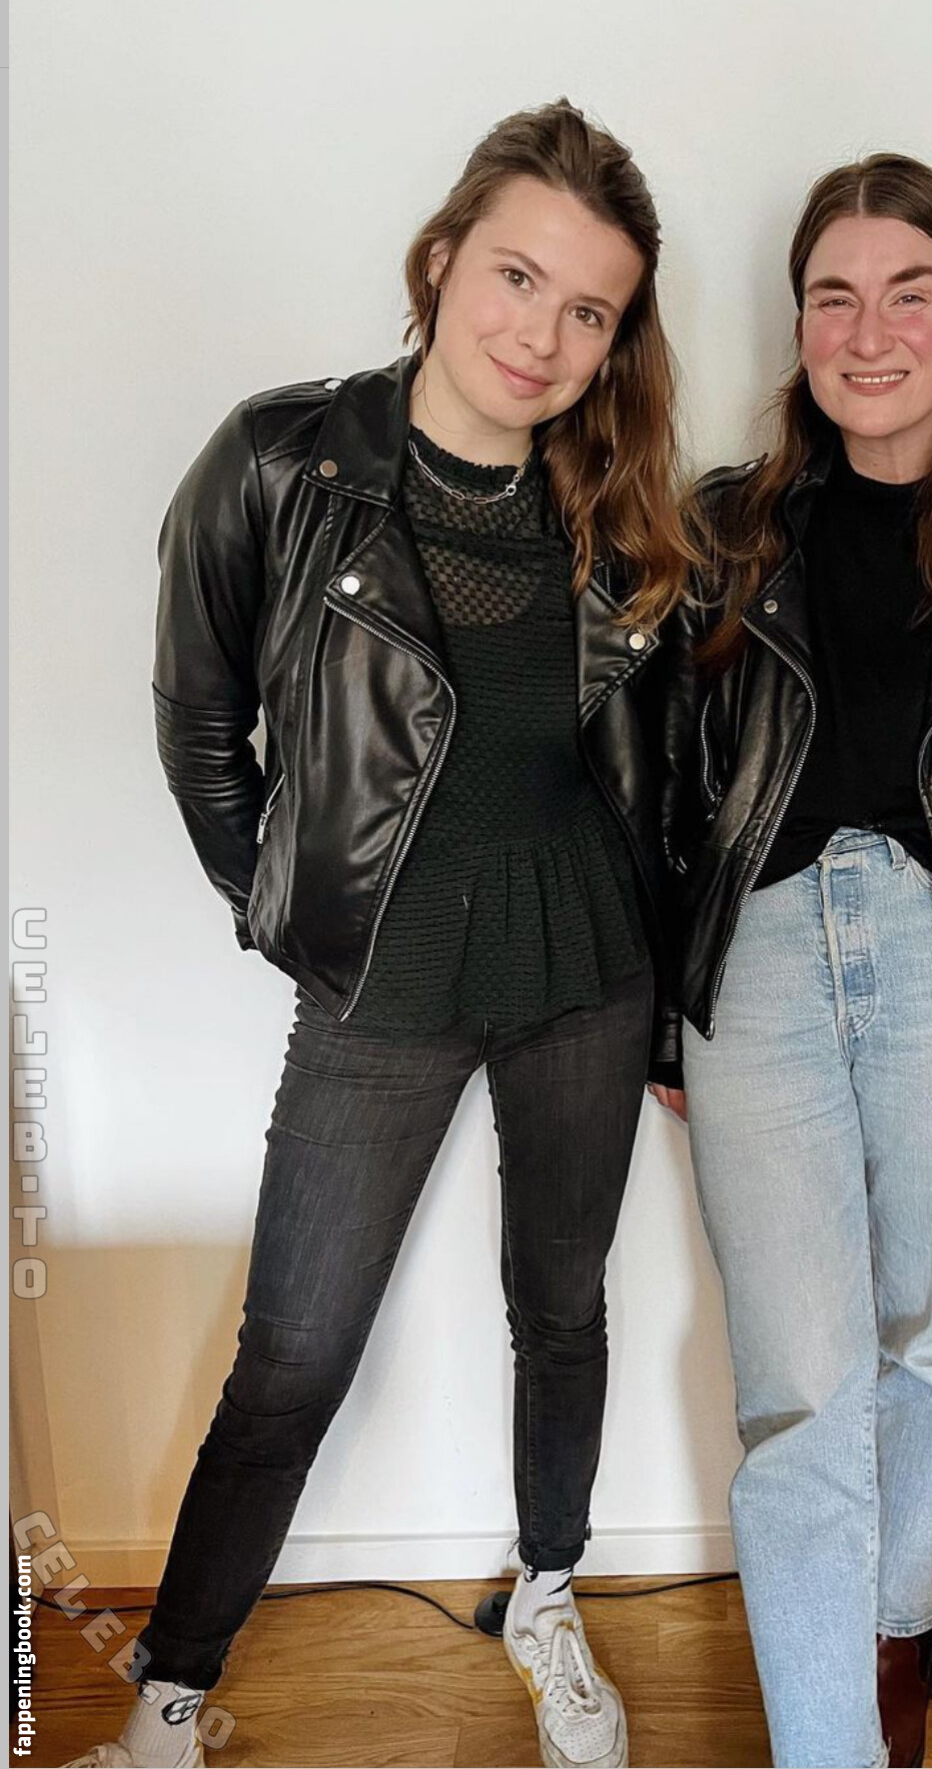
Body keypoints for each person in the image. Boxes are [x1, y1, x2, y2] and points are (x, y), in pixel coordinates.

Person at [67, 98, 696, 1769]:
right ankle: (171, 1694)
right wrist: (291, 912)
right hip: (385, 983)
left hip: (584, 968)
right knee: (294, 1356)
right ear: (440, 259)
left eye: (588, 310)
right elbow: (200, 726)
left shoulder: (621, 505)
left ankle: (547, 1591)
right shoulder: (281, 463)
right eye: (516, 276)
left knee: (563, 1309)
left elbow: (645, 780)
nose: (541, 335)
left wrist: (664, 1010)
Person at [650, 153, 932, 1768]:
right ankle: (831, 1737)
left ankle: (895, 1621)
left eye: (911, 294)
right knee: (799, 1390)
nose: (870, 331)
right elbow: (661, 793)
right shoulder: (721, 532)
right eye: (835, 297)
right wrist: (663, 1014)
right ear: (801, 328)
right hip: (761, 957)